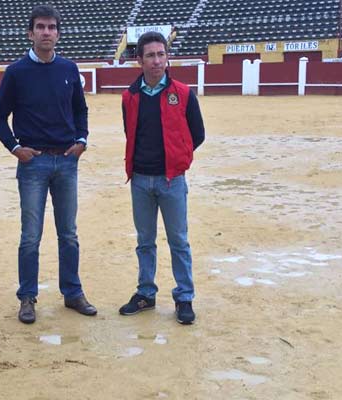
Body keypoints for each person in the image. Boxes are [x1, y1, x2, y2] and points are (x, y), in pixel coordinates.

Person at [0, 4, 95, 324]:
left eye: (51, 27)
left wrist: (82, 140)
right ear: (30, 33)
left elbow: (80, 110)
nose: (46, 32)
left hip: (66, 160)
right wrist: (15, 148)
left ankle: (72, 293)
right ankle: (27, 297)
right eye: (41, 27)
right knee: (30, 236)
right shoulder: (16, 72)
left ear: (58, 34)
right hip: (32, 163)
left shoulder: (69, 68)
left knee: (69, 233)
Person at [118, 31, 205, 325]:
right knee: (145, 241)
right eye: (150, 55)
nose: (157, 61)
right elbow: (131, 133)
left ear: (167, 57)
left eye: (161, 54)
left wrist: (178, 158)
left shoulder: (183, 93)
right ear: (140, 60)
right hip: (141, 180)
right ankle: (146, 293)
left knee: (178, 240)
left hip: (172, 179)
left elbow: (198, 134)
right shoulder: (130, 97)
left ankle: (184, 297)